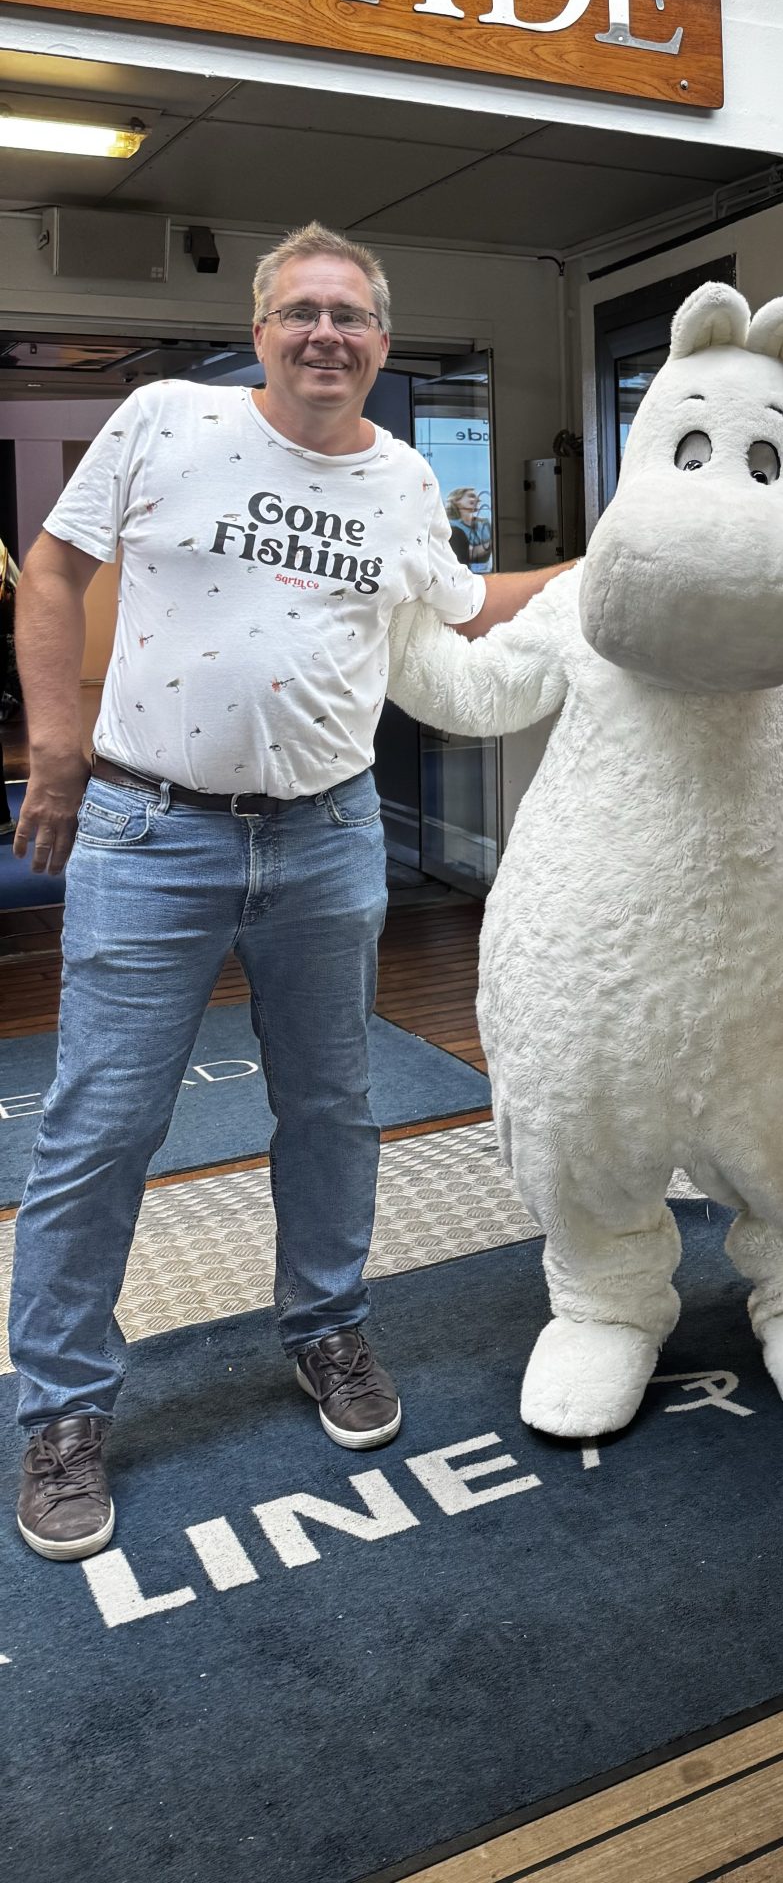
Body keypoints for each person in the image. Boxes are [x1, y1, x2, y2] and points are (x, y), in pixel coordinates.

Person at [9, 221, 568, 1565]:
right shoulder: (166, 420)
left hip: (327, 836)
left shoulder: (402, 480)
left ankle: (327, 1327)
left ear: (380, 342)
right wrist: (57, 747)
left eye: (350, 315)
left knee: (332, 1107)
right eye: (302, 311)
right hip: (150, 832)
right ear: (260, 331)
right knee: (100, 1128)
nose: (327, 333)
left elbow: (466, 608)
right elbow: (54, 570)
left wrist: (616, 569)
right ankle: (63, 1409)